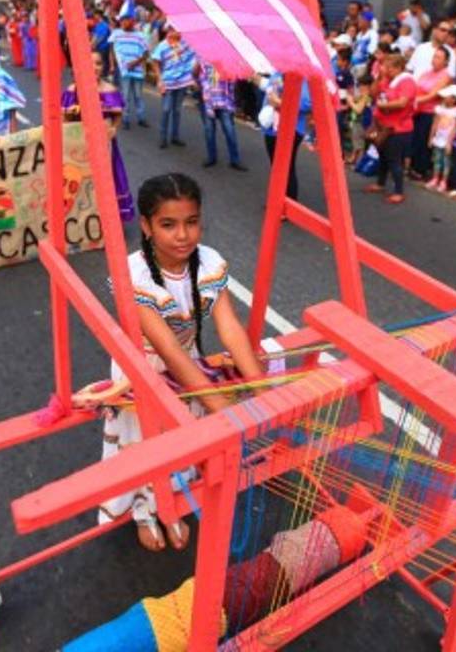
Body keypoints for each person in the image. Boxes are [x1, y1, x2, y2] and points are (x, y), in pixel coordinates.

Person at [99, 172, 261, 551]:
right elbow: (167, 349)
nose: (183, 235)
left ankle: (170, 501)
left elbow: (230, 328)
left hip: (186, 360)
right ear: (146, 226)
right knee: (146, 439)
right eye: (168, 225)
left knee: (182, 438)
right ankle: (144, 512)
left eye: (191, 222)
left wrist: (260, 389)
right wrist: (221, 406)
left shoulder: (208, 262)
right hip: (143, 367)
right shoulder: (133, 276)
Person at [61, 51, 135, 222]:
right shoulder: (72, 91)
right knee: (80, 180)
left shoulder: (110, 90)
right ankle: (82, 220)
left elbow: (117, 115)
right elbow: (65, 119)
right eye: (90, 63)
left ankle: (107, 220)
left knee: (106, 180)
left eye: (98, 64)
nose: (94, 68)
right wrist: (72, 116)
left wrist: (114, 128)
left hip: (104, 144)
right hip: (79, 147)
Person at [362, 53, 415, 204]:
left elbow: (402, 103)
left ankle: (399, 191)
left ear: (399, 68)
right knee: (383, 156)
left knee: (394, 160)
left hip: (398, 127)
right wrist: (379, 77)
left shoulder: (407, 82)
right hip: (382, 124)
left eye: (390, 68)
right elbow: (373, 94)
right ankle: (380, 182)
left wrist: (382, 105)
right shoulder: (386, 79)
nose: (387, 70)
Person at [260, 71, 311, 201]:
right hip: (272, 129)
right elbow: (268, 88)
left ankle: (289, 202)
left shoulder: (300, 77)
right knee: (276, 167)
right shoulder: (276, 73)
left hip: (290, 129)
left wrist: (279, 102)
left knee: (287, 168)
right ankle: (277, 202)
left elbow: (306, 103)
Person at [409, 45, 453, 180]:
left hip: (430, 111)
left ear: (446, 61)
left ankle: (421, 169)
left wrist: (416, 100)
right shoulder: (426, 72)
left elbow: (434, 94)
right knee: (415, 138)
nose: (435, 59)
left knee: (424, 140)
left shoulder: (446, 76)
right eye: (435, 56)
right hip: (417, 109)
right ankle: (412, 166)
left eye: (439, 57)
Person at [150, 26, 195, 149]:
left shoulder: (185, 43)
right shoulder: (163, 46)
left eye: (177, 30)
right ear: (169, 31)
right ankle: (163, 137)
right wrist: (159, 79)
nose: (177, 32)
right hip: (168, 82)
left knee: (177, 110)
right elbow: (155, 61)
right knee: (166, 109)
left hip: (182, 82)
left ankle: (175, 136)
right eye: (173, 30)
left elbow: (193, 55)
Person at [195, 61, 245, 171]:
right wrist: (197, 67)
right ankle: (211, 157)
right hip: (208, 101)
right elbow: (196, 76)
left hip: (224, 101)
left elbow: (236, 78)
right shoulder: (202, 58)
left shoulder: (228, 60)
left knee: (229, 131)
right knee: (209, 130)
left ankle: (235, 160)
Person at [109, 0, 150, 129]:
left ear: (133, 21)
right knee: (125, 95)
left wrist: (136, 62)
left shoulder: (140, 35)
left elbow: (146, 53)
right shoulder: (116, 34)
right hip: (123, 69)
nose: (124, 22)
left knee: (138, 95)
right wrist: (112, 65)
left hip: (137, 70)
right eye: (122, 20)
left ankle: (141, 117)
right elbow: (112, 50)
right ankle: (125, 119)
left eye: (127, 20)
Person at [426, 84, 456, 190]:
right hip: (438, 139)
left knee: (447, 162)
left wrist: (450, 142)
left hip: (448, 141)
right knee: (437, 160)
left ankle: (444, 181)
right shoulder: (439, 109)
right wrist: (431, 137)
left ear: (454, 99)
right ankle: (435, 178)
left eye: (447, 96)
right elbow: (435, 123)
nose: (444, 99)